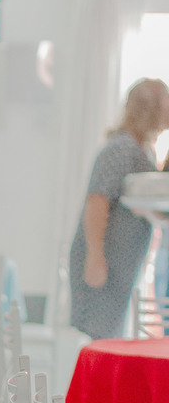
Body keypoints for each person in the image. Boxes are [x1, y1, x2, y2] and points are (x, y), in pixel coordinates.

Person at [69, 78, 169, 340]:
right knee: (98, 336)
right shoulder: (120, 149)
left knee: (112, 333)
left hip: (120, 266)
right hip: (104, 261)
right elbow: (97, 201)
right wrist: (95, 257)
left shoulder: (142, 150)